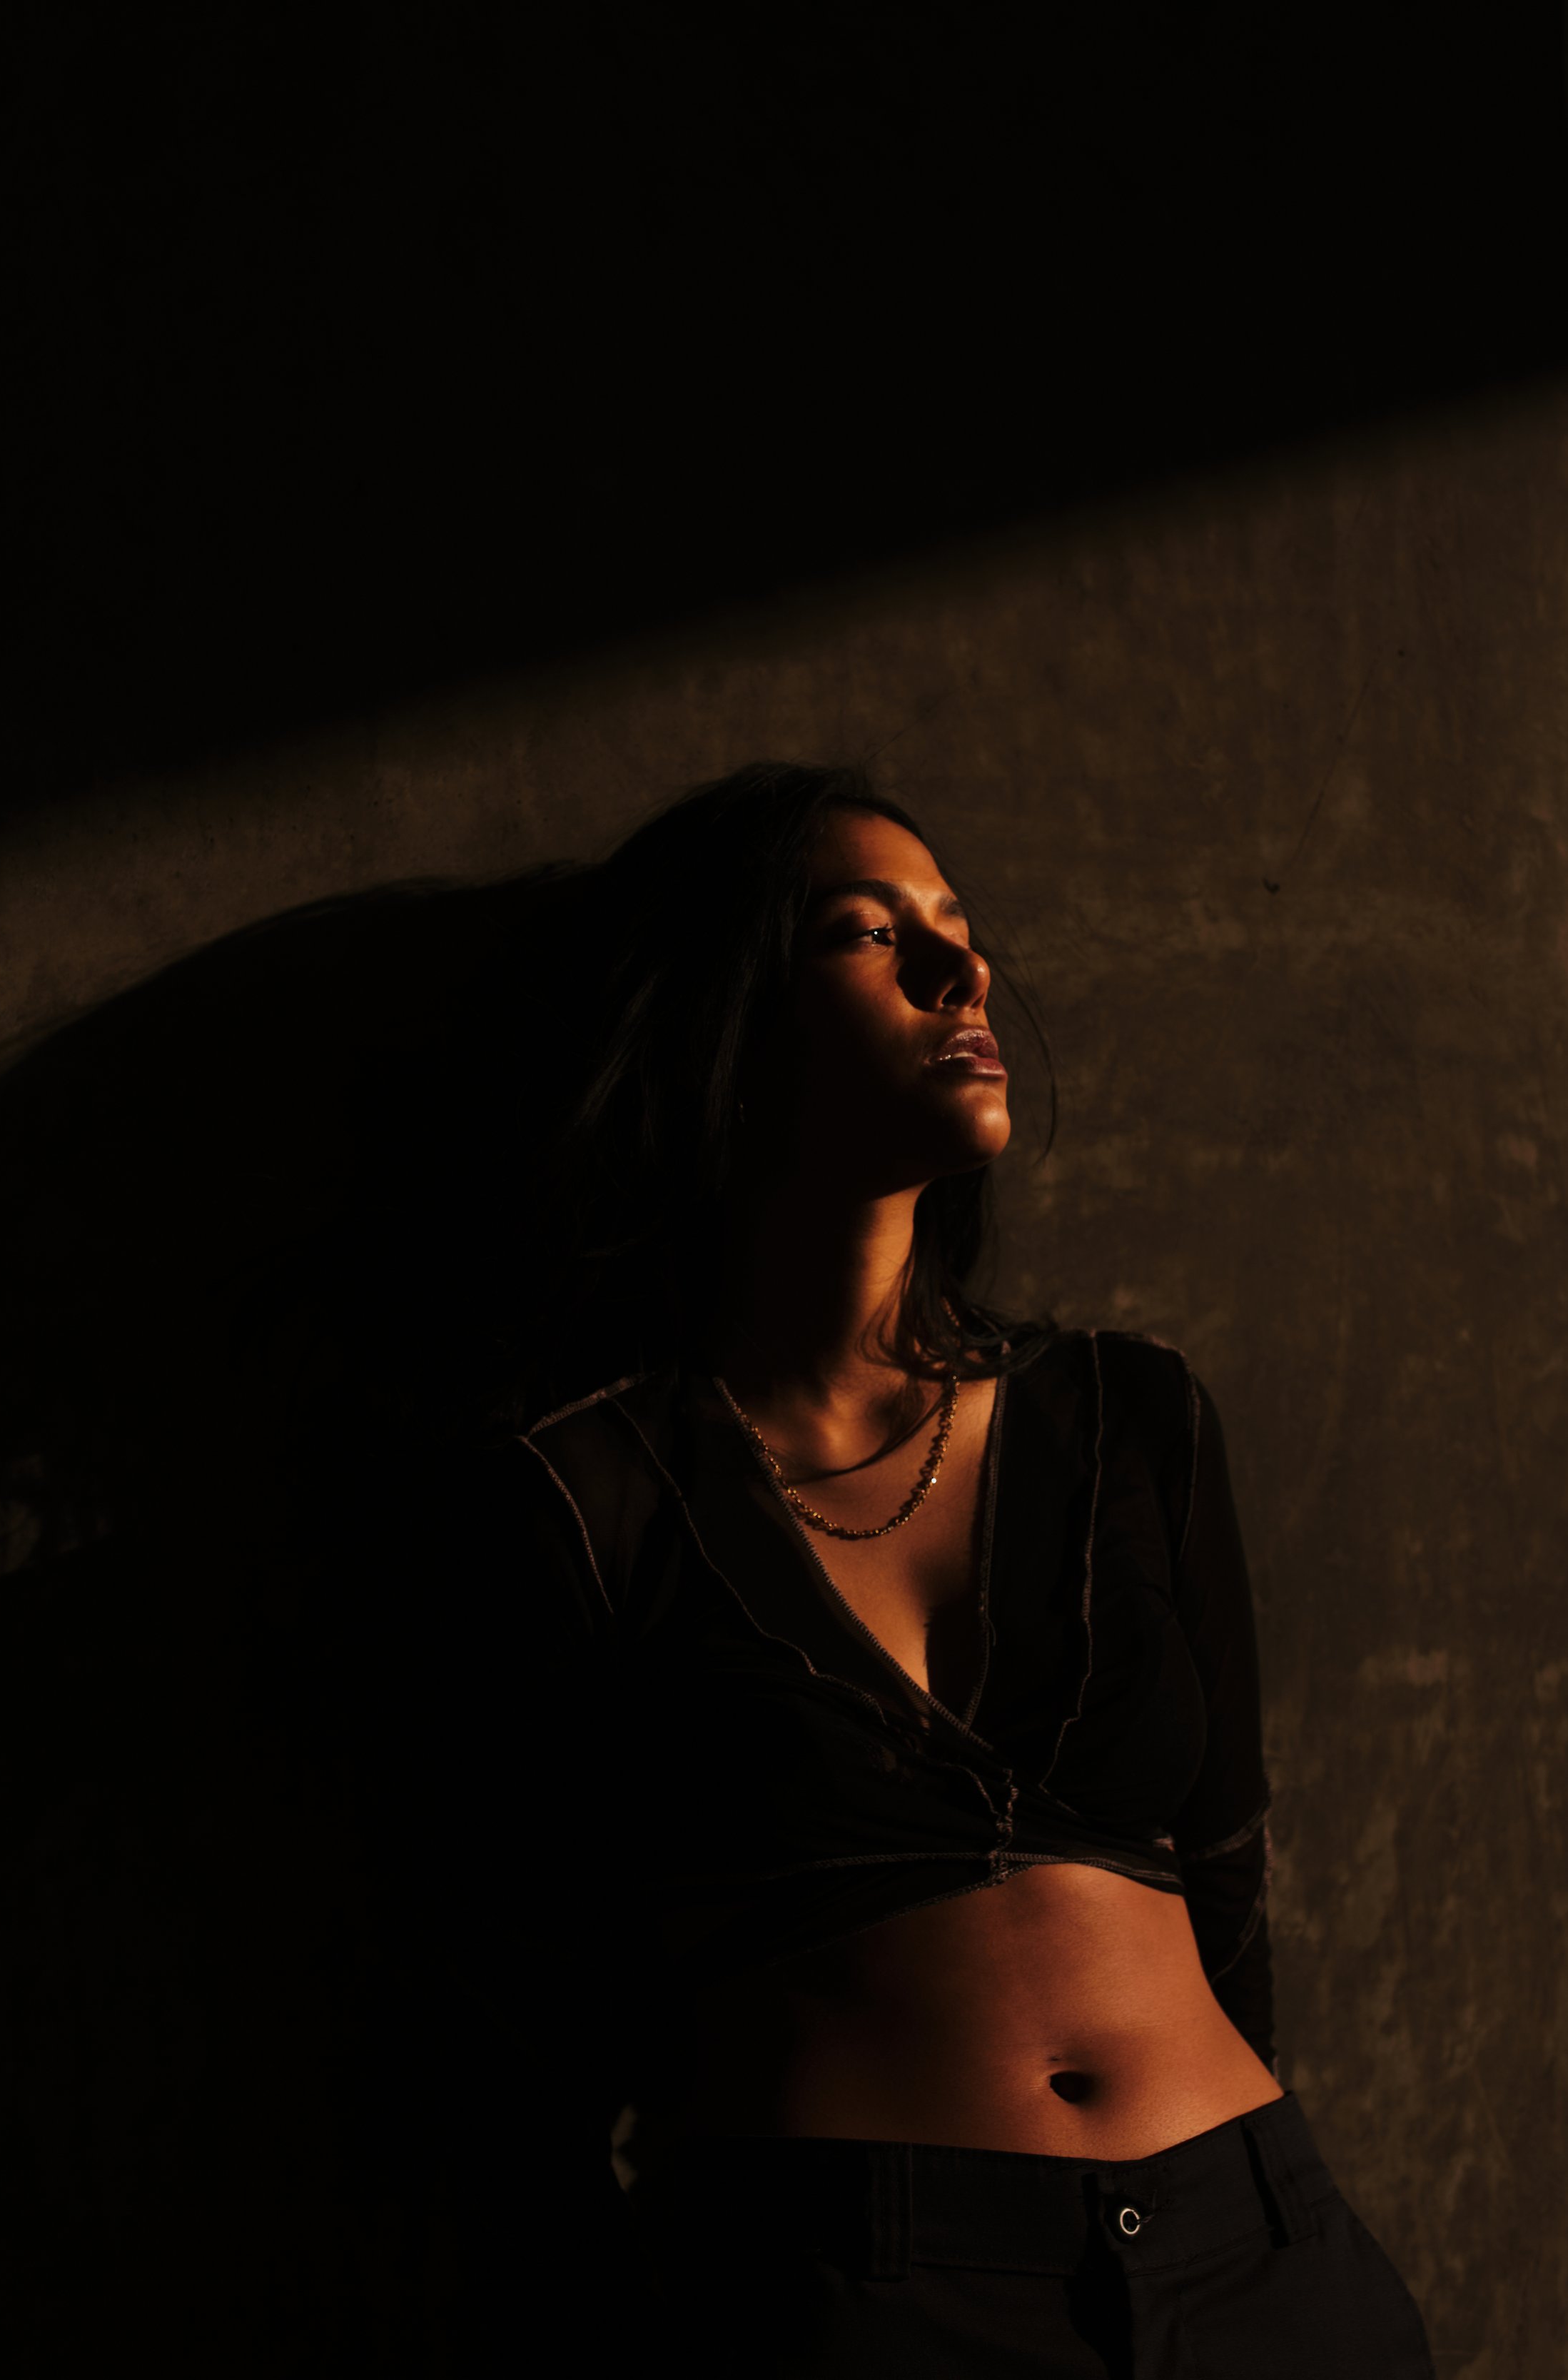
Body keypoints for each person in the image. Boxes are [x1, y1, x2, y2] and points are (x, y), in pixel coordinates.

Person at [452, 762, 1436, 2378]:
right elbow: (519, 2024)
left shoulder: (1129, 1414)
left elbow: (1228, 1869)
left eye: (956, 930)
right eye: (867, 931)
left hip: (1255, 2251)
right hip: (850, 2290)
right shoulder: (587, 1487)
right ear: (724, 1021)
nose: (957, 970)